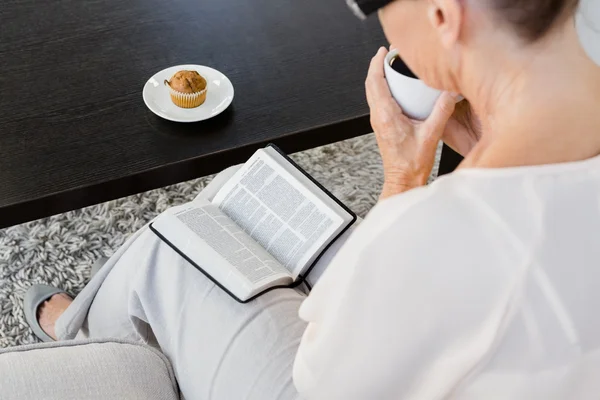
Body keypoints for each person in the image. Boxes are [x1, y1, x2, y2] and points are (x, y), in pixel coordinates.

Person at [23, 0, 600, 398]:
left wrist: (403, 178)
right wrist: (488, 151)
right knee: (237, 195)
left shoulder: (437, 227)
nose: (387, 36)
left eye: (382, 13)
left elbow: (323, 382)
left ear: (445, 15)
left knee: (176, 242)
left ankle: (76, 333)